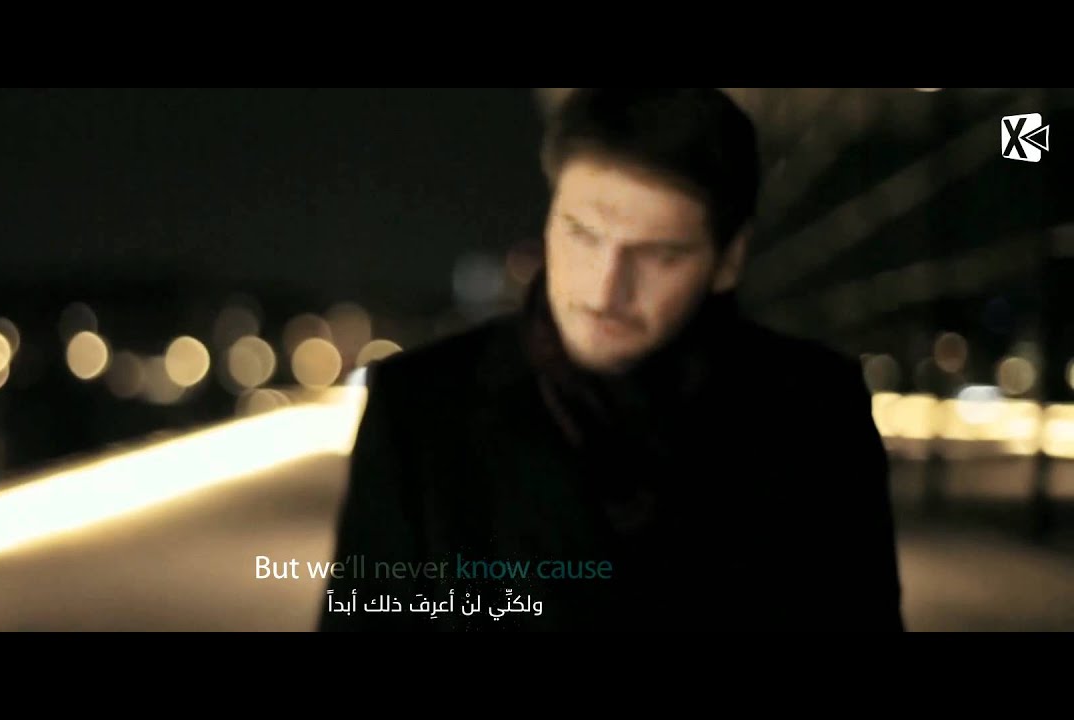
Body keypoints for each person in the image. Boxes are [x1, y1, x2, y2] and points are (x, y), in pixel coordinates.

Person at [318, 88, 904, 632]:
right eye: (582, 234)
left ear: (729, 259)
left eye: (658, 254)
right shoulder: (418, 409)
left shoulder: (817, 412)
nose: (605, 289)